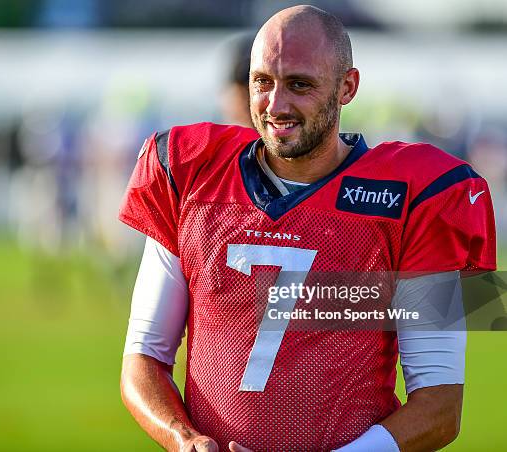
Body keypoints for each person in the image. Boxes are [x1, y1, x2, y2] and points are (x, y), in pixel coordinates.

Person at [118, 5, 496, 452]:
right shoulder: (190, 172)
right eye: (262, 82)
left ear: (347, 87)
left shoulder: (417, 194)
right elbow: (143, 358)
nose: (276, 105)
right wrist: (185, 441)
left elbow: (440, 406)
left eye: (299, 84)